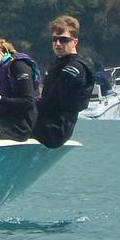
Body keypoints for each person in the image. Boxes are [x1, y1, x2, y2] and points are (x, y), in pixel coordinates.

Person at [32, 14, 95, 148]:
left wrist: (24, 104)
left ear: (75, 42)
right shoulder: (59, 64)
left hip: (55, 130)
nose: (58, 44)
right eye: (55, 39)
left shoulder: (74, 68)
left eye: (64, 40)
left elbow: (51, 101)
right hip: (45, 122)